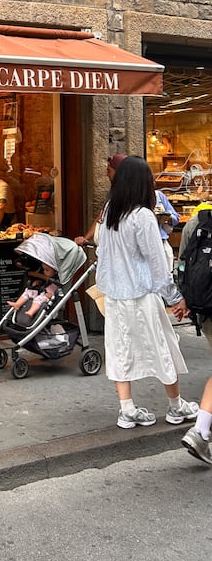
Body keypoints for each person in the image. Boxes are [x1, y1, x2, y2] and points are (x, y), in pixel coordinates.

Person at [95, 155, 198, 429]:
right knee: (162, 347)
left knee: (119, 350)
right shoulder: (142, 216)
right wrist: (176, 298)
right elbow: (157, 264)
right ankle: (176, 406)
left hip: (115, 295)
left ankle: (127, 410)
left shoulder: (110, 211)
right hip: (142, 294)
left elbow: (102, 253)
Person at [177, 201, 212, 465]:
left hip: (206, 307)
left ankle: (201, 430)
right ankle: (200, 431)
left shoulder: (197, 221)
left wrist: (184, 298)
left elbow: (183, 265)